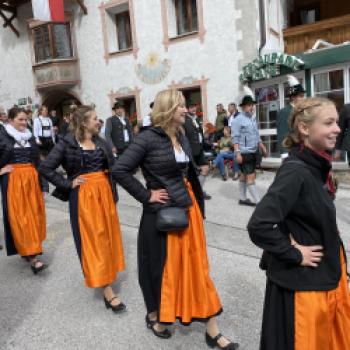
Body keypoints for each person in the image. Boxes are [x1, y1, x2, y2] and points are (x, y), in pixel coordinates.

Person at [112, 89, 239, 349]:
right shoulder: (147, 138)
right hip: (162, 214)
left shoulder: (179, 135)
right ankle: (159, 316)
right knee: (161, 270)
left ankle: (210, 327)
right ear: (169, 109)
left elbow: (187, 170)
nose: (186, 109)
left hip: (187, 207)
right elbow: (119, 169)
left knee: (195, 268)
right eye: (181, 106)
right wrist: (147, 195)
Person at [248, 97, 350, 350]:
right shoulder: (296, 171)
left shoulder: (315, 165)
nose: (337, 129)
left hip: (325, 277)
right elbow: (259, 224)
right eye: (329, 123)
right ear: (305, 129)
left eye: (337, 122)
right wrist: (293, 252)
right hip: (305, 290)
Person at [39, 105, 126, 312]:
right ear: (84, 122)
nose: (99, 122)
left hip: (104, 195)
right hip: (84, 198)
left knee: (107, 237)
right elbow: (45, 167)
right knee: (93, 240)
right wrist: (68, 183)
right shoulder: (67, 143)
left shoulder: (101, 142)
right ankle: (107, 289)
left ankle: (107, 274)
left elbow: (114, 169)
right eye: (95, 119)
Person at [0, 107, 47, 273]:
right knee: (21, 217)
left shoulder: (29, 136)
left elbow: (38, 162)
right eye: (20, 119)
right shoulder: (2, 135)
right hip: (13, 181)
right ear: (10, 120)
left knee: (34, 216)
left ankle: (30, 250)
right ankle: (33, 257)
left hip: (32, 180)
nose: (24, 123)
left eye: (26, 119)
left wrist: (44, 185)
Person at [232, 86, 267, 206]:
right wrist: (237, 153)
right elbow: (235, 138)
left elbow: (256, 134)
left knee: (243, 175)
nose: (252, 107)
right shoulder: (238, 120)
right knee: (251, 176)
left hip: (253, 151)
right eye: (249, 105)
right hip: (244, 152)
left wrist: (261, 145)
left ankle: (242, 198)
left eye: (252, 105)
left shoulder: (252, 118)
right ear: (243, 106)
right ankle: (259, 202)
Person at [183, 98, 211, 200]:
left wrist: (207, 143)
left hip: (199, 149)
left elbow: (200, 134)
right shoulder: (184, 120)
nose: (194, 108)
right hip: (190, 151)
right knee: (191, 174)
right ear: (187, 109)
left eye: (195, 106)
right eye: (191, 107)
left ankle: (198, 191)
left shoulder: (197, 119)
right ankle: (194, 193)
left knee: (205, 168)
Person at [276, 75, 305, 158]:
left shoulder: (301, 110)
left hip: (302, 149)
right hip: (291, 151)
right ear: (293, 97)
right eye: (301, 96)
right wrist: (284, 154)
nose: (303, 98)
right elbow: (282, 133)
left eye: (303, 96)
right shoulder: (284, 112)